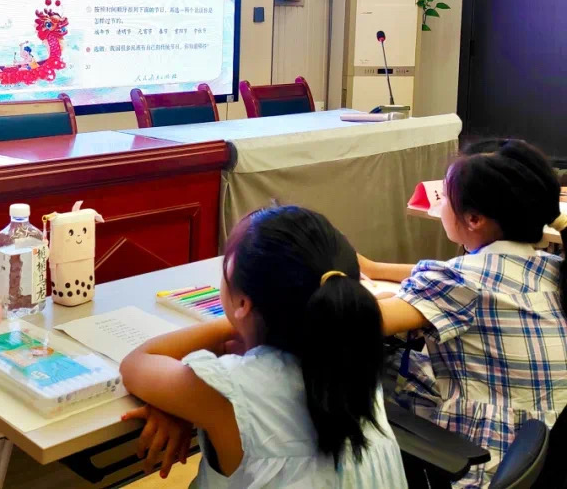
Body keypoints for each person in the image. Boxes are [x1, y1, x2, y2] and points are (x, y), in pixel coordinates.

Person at [121, 206, 404, 486]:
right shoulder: (352, 357)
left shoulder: (228, 389)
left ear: (244, 302)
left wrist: (230, 325)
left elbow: (136, 363)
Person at [361, 139, 566, 488]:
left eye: (444, 197)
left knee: (376, 369)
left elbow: (356, 321)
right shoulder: (550, 266)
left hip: (484, 455)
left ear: (473, 219)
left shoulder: (461, 282)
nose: (439, 204)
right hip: (540, 450)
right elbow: (466, 277)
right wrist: (374, 268)